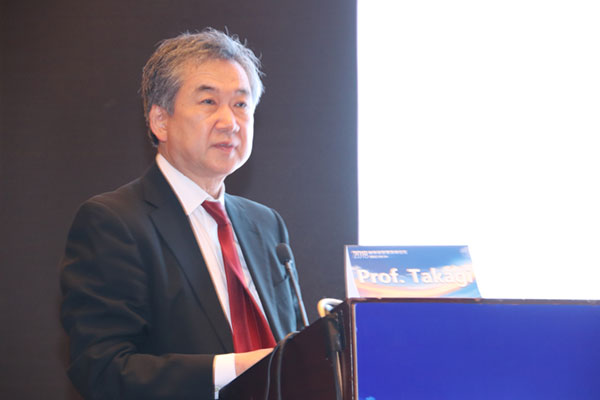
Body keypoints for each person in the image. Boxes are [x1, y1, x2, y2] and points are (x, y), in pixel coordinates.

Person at [59, 28, 302, 399]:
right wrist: (235, 369)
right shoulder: (114, 223)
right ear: (160, 121)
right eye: (208, 102)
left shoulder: (266, 225)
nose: (230, 122)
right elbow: (103, 369)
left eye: (241, 104)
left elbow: (295, 348)